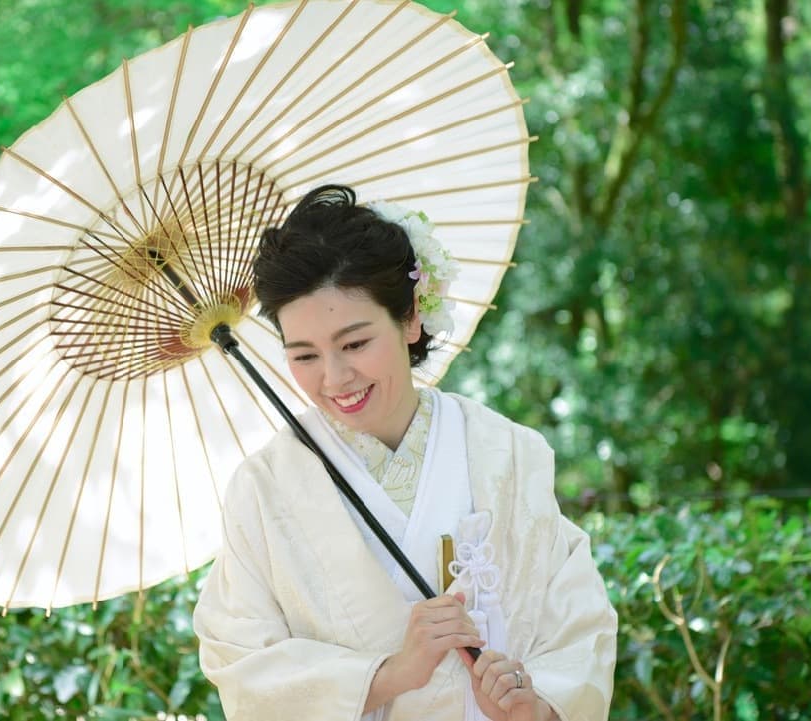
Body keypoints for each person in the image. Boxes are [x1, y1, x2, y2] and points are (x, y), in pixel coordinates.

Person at [193, 185, 617, 721]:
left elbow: (578, 627)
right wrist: (392, 673)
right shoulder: (263, 489)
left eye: (354, 344)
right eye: (303, 354)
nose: (334, 378)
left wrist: (534, 705)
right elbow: (240, 660)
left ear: (411, 317)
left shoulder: (506, 453)